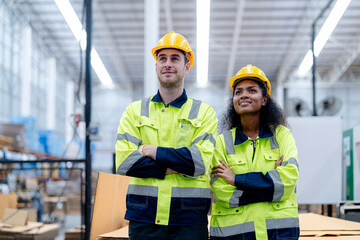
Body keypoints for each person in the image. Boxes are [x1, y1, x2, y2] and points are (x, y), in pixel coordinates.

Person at [115, 31, 218, 240]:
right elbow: (125, 163)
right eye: (162, 58)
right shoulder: (135, 111)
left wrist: (150, 151)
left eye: (175, 59)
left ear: (187, 66)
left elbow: (198, 164)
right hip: (144, 219)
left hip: (188, 220)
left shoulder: (204, 112)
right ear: (156, 67)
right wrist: (177, 166)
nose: (167, 64)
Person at [210, 64, 299, 240]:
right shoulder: (222, 142)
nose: (244, 95)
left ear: (264, 99)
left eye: (251, 90)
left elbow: (287, 182)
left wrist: (236, 179)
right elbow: (222, 193)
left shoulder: (281, 134)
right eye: (238, 92)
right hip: (234, 235)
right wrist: (270, 184)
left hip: (278, 234)